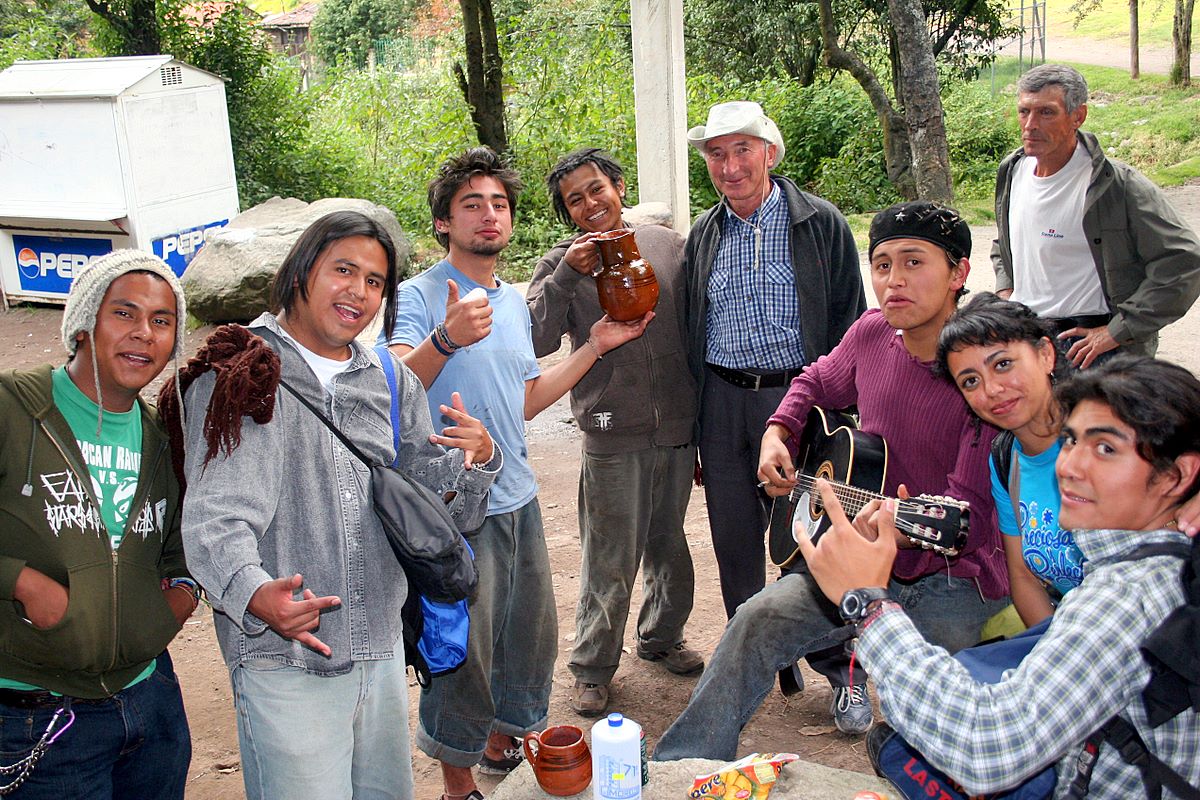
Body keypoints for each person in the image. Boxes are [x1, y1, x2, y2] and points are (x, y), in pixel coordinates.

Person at [653, 201, 1008, 751]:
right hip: (859, 558)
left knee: (933, 717)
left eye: (914, 263)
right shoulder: (871, 334)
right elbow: (816, 380)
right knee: (753, 621)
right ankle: (683, 764)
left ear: (959, 273)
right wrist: (778, 430)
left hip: (951, 578)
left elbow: (964, 521)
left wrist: (880, 524)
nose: (895, 281)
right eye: (883, 264)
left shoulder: (978, 374)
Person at [175, 211, 497, 800]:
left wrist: (475, 460)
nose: (359, 292)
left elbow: (429, 501)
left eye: (375, 281)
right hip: (286, 657)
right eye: (343, 270)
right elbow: (215, 517)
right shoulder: (244, 372)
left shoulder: (389, 377)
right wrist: (252, 591)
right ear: (301, 271)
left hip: (378, 648)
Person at [796, 355, 1200, 798]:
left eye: (1106, 449)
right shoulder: (1171, 566)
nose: (1070, 467)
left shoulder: (1124, 597)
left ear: (1177, 476)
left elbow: (986, 748)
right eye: (1070, 441)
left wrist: (869, 605)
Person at [379, 147, 650, 800]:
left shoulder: (510, 303)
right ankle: (455, 782)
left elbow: (525, 398)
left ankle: (505, 739)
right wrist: (444, 339)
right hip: (451, 510)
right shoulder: (417, 297)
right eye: (472, 204)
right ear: (444, 223)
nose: (489, 215)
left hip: (517, 495)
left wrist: (595, 346)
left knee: (527, 637)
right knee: (463, 650)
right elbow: (390, 393)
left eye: (499, 203)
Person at [0, 250, 195, 798]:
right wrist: (21, 580)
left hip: (151, 706)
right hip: (37, 717)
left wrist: (176, 601)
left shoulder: (162, 439)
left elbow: (182, 548)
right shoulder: (15, 407)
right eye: (124, 314)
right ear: (85, 323)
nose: (144, 334)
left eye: (162, 321)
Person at [526, 147, 702, 718]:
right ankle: (593, 668)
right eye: (574, 200)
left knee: (669, 544)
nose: (589, 203)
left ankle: (660, 637)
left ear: (618, 186)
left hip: (677, 427)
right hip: (610, 429)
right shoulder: (563, 264)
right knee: (610, 554)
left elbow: (699, 326)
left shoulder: (665, 245)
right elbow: (533, 340)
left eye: (595, 189)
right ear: (567, 214)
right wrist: (564, 274)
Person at [684, 100, 867, 620]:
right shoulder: (705, 233)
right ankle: (754, 654)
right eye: (716, 154)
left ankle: (833, 665)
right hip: (722, 401)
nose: (730, 166)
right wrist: (699, 424)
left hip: (798, 397)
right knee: (734, 536)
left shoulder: (818, 222)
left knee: (811, 532)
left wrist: (839, 412)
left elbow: (851, 320)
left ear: (770, 153)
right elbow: (693, 328)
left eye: (742, 150)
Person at [992, 63, 1200, 369]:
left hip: (1091, 349)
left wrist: (1118, 331)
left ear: (1078, 116)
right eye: (1024, 111)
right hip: (1028, 338)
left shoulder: (1116, 184)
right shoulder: (1013, 170)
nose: (1030, 124)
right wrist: (1005, 286)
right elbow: (1006, 240)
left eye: (1046, 112)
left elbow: (1184, 261)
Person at [936, 293, 1084, 627]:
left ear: (1045, 354)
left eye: (1003, 364)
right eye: (970, 381)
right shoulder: (1006, 461)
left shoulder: (1107, 437)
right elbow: (1024, 578)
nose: (991, 390)